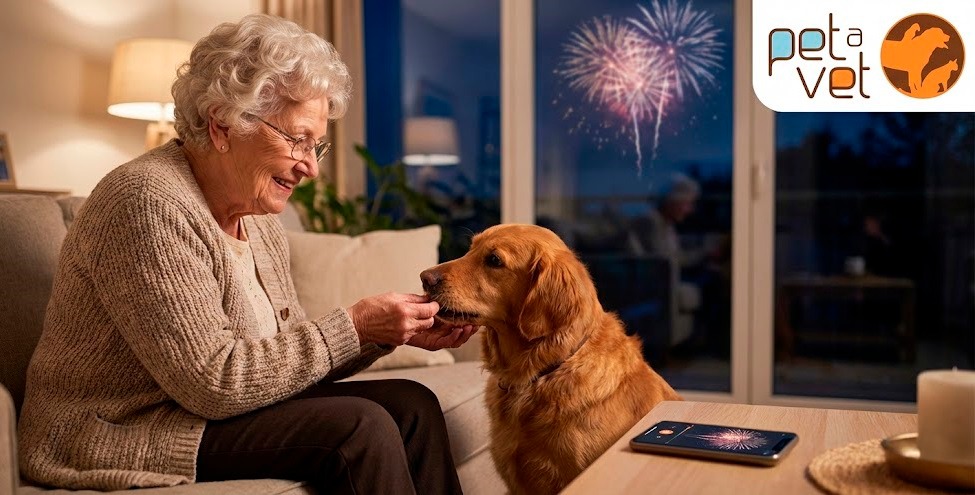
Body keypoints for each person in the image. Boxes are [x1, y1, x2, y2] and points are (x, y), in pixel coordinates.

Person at [18, 14, 474, 495]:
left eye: (316, 145)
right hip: (120, 426)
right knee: (361, 428)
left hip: (204, 407)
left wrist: (385, 333)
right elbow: (212, 382)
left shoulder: (258, 218)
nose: (310, 168)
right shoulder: (146, 202)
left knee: (413, 405)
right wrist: (356, 324)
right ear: (222, 124)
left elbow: (285, 359)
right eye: (296, 139)